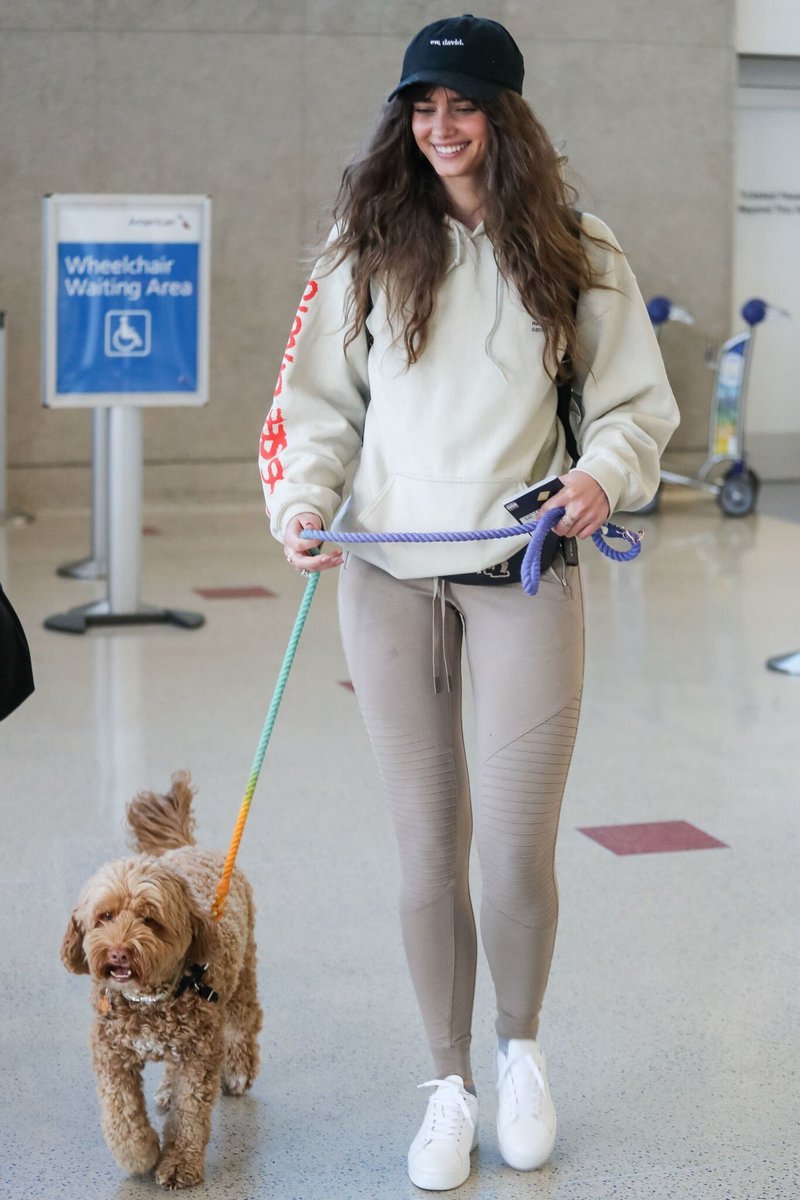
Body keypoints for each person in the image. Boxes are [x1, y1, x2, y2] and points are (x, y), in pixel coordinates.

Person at [260, 14, 679, 1191]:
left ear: (505, 116)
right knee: (425, 855)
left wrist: (601, 475)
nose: (440, 128)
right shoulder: (361, 245)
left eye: (463, 104)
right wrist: (304, 500)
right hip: (386, 580)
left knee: (512, 854)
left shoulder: (576, 246)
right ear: (405, 119)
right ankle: (445, 1080)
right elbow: (318, 406)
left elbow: (633, 409)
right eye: (421, 107)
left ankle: (519, 1051)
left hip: (523, 576)